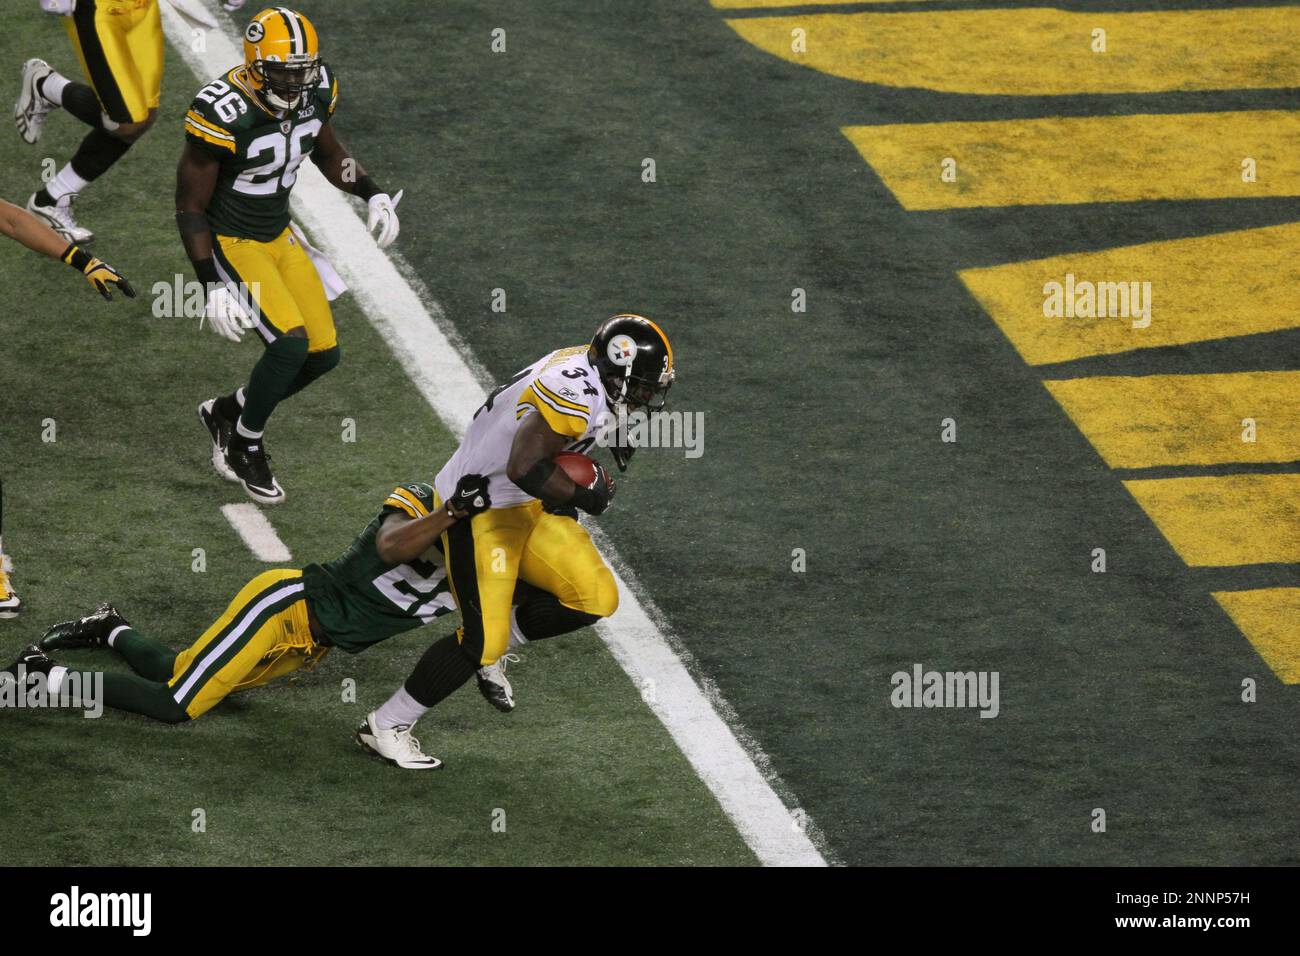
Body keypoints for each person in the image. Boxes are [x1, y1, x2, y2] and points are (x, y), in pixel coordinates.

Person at [357, 314, 676, 770]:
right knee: (480, 642)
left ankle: (500, 640)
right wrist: (585, 495)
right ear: (617, 370)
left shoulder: (586, 366)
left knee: (594, 597)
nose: (647, 395)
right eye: (642, 385)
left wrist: (613, 427)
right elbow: (524, 466)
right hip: (481, 505)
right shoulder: (572, 393)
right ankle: (385, 726)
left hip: (526, 503)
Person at [177, 7, 401, 504]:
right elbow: (190, 205)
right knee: (288, 346)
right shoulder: (222, 110)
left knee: (323, 354)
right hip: (232, 239)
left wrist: (372, 191)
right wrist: (209, 284)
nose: (296, 81)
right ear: (257, 66)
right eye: (283, 71)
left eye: (302, 70)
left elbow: (326, 151)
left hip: (279, 234)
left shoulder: (315, 90)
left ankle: (226, 412)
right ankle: (244, 442)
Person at [15, 0, 165, 243]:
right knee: (127, 121)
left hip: (141, 5)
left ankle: (51, 198)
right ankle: (46, 86)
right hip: (97, 8)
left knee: (144, 115)